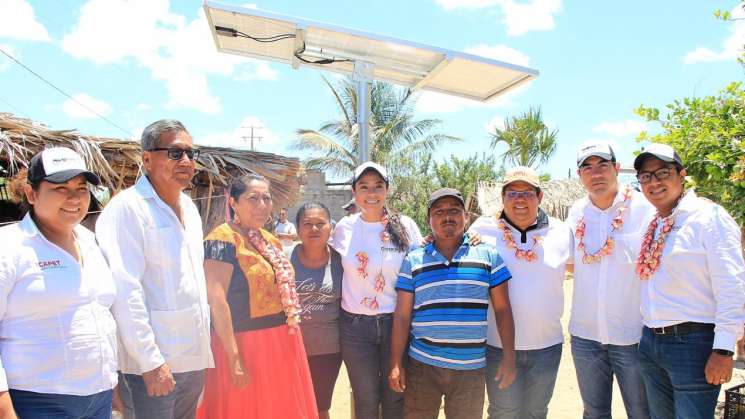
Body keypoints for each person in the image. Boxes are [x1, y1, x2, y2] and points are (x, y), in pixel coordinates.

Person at [96, 119, 213, 419]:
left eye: (191, 153)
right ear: (146, 159)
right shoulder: (127, 209)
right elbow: (125, 291)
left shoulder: (189, 208)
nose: (186, 161)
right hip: (152, 365)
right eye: (175, 153)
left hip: (192, 358)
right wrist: (150, 362)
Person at [0, 147, 118, 418]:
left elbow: (99, 314)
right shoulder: (9, 247)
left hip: (98, 397)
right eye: (61, 188)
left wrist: (113, 383)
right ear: (31, 194)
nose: (74, 198)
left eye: (81, 188)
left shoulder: (90, 242)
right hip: (36, 401)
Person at [633, 143, 745, 419]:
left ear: (682, 174)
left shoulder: (709, 218)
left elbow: (732, 285)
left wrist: (723, 349)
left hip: (693, 345)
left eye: (662, 172)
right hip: (650, 340)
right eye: (645, 177)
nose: (654, 182)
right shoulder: (655, 221)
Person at [197, 173, 317, 419]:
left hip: (281, 341)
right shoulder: (221, 239)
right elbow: (216, 300)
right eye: (253, 198)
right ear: (233, 203)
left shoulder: (269, 239)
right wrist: (234, 358)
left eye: (266, 198)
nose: (261, 206)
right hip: (245, 345)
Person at [389, 188, 515, 419]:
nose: (447, 216)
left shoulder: (488, 256)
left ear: (466, 218)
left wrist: (509, 356)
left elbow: (503, 310)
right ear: (429, 220)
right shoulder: (414, 259)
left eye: (455, 211)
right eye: (439, 211)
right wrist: (396, 362)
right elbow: (402, 316)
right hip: (423, 365)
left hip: (470, 367)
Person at [469, 167, 572, 419]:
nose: (520, 199)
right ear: (502, 198)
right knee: (503, 412)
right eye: (512, 193)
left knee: (536, 412)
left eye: (527, 192)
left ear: (540, 197)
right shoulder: (482, 229)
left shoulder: (561, 232)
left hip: (547, 347)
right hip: (497, 346)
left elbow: (586, 268)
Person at [566, 140, 653, 419]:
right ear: (579, 176)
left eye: (603, 165)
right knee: (594, 412)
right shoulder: (575, 212)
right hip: (585, 336)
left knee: (641, 412)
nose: (596, 173)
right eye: (587, 167)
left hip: (633, 335)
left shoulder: (645, 208)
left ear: (617, 168)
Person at [331, 161, 423, 419]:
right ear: (354, 192)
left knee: (395, 396)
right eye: (364, 187)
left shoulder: (406, 226)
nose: (371, 193)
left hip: (397, 323)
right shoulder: (343, 228)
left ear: (387, 190)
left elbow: (421, 263)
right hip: (355, 328)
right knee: (365, 399)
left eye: (378, 186)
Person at [290, 202, 344, 419]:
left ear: (330, 227)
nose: (314, 229)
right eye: (307, 224)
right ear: (297, 229)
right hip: (291, 347)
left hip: (328, 349)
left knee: (320, 407)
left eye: (320, 224)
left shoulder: (341, 261)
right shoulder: (282, 259)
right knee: (292, 404)